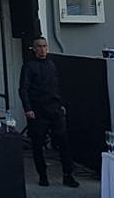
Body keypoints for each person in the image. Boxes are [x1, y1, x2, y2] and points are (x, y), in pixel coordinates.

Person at [19, 37, 78, 188]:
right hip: (38, 111)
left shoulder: (51, 64)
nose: (42, 49)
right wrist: (28, 108)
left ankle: (68, 175)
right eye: (39, 46)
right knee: (38, 144)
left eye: (44, 46)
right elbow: (23, 88)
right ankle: (43, 175)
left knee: (64, 143)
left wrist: (61, 104)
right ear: (34, 49)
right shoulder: (29, 66)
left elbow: (57, 85)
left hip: (55, 108)